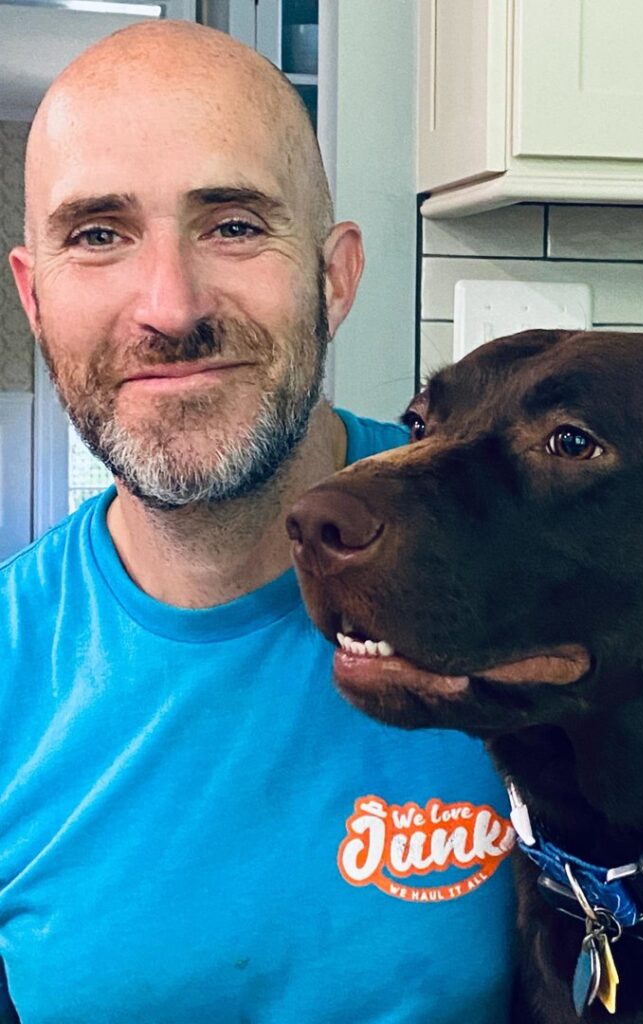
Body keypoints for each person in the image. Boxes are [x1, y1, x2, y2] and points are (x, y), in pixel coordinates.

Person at [2, 21, 517, 1024]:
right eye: (99, 234)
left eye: (233, 223)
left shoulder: (521, 562)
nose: (170, 305)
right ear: (33, 296)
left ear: (334, 275)